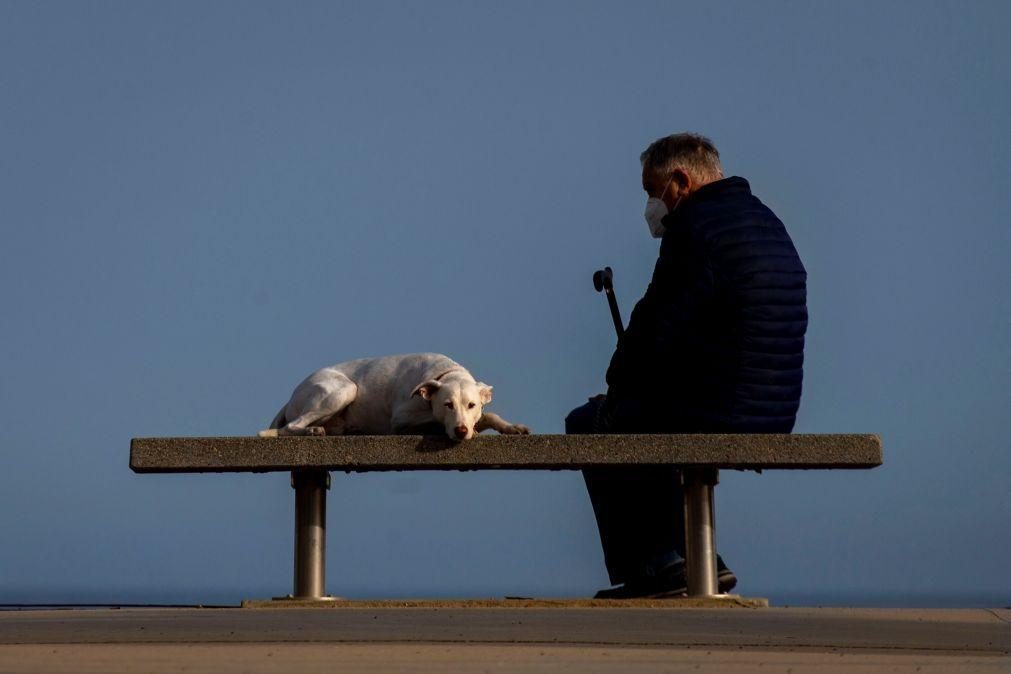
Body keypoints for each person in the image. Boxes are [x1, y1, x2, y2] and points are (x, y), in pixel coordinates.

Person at [566, 133, 808, 598]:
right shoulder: (765, 221)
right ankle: (699, 560)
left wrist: (616, 387)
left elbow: (655, 328)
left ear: (680, 181)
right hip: (772, 410)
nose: (651, 206)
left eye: (651, 191)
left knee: (593, 422)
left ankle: (654, 568)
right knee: (643, 412)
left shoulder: (693, 230)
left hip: (718, 407)